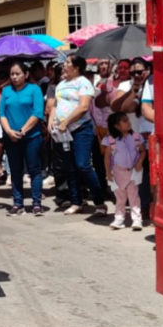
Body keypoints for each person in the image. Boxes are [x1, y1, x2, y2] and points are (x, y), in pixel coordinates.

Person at [51, 56, 108, 216]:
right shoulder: (61, 84)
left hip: (81, 129)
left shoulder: (84, 83)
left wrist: (66, 122)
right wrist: (52, 121)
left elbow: (83, 107)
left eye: (68, 62)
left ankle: (99, 201)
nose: (64, 65)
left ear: (76, 67)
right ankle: (76, 201)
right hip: (63, 132)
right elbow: (56, 104)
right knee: (69, 167)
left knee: (83, 165)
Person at [0, 62, 47, 216]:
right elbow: (1, 114)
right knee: (15, 171)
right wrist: (9, 131)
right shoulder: (6, 91)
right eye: (12, 74)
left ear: (26, 75)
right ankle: (18, 203)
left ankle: (36, 203)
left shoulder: (34, 90)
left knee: (34, 170)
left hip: (31, 137)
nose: (14, 77)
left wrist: (22, 131)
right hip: (11, 138)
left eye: (17, 74)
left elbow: (38, 113)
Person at [112, 58, 155, 223]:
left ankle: (153, 206)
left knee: (154, 174)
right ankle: (143, 208)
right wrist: (133, 90)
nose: (136, 75)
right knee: (140, 173)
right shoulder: (125, 85)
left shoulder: (153, 83)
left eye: (140, 72)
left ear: (148, 69)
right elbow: (120, 108)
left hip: (154, 134)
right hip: (136, 138)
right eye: (133, 73)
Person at [105, 112, 146, 231]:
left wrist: (139, 162)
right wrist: (108, 172)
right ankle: (119, 219)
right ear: (117, 126)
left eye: (127, 120)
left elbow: (143, 151)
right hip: (117, 172)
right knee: (120, 197)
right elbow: (107, 157)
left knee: (134, 196)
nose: (128, 122)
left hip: (133, 172)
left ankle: (137, 219)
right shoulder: (111, 140)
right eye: (124, 121)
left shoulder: (136, 137)